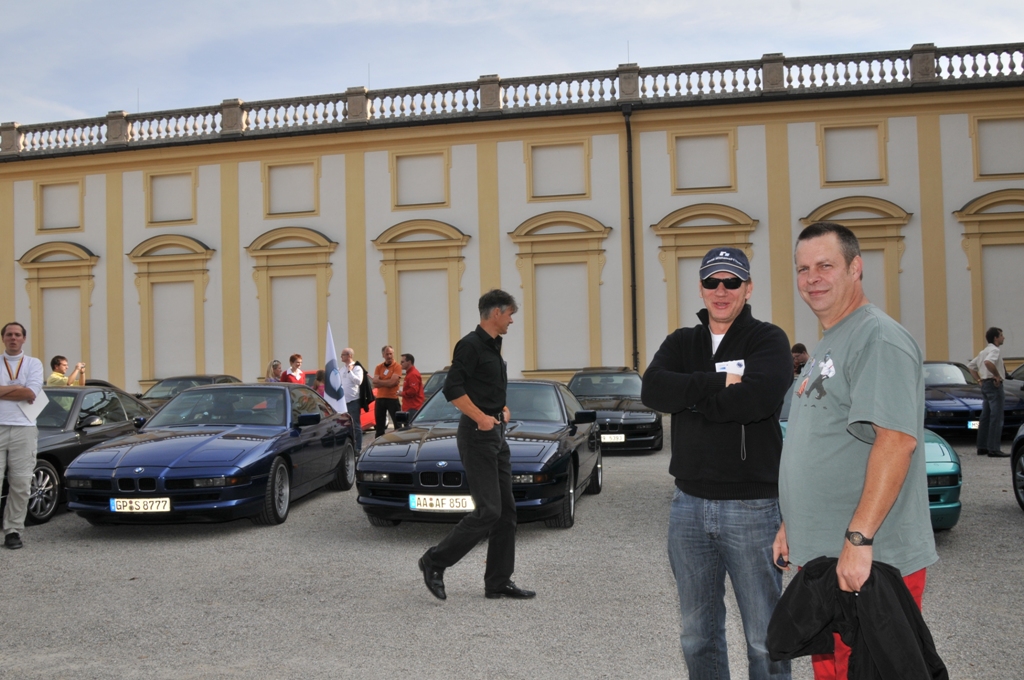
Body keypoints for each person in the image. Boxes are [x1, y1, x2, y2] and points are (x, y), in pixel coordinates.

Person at [773, 222, 937, 680]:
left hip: (868, 562)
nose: (812, 278)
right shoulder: (832, 339)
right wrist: (792, 521)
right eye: (803, 269)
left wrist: (859, 541)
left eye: (825, 265)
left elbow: (896, 442)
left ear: (855, 267)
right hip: (828, 559)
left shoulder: (877, 337)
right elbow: (824, 441)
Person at [641, 247, 793, 680]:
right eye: (712, 281)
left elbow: (758, 400)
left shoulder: (768, 340)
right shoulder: (681, 342)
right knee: (696, 635)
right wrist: (720, 381)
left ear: (748, 288)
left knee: (764, 638)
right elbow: (653, 390)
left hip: (752, 507)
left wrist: (690, 398)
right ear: (701, 288)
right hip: (687, 505)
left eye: (731, 281)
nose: (721, 290)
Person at [418, 289, 534, 601]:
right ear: (496, 312)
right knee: (489, 510)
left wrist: (501, 409)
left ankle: (498, 581)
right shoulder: (470, 345)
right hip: (477, 435)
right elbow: (452, 387)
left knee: (506, 512)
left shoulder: (494, 346)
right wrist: (481, 417)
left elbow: (485, 387)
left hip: (496, 434)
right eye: (509, 314)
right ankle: (434, 561)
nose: (511, 320)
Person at [0, 322, 45, 550]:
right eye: (9, 334)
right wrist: (19, 389)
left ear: (24, 339)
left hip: (24, 428)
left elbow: (31, 392)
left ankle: (13, 531)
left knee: (21, 483)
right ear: (3, 338)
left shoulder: (33, 363)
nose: (13, 338)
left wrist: (6, 390)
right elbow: (24, 391)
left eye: (17, 334)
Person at [967, 327, 1007, 457]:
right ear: (996, 338)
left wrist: (979, 380)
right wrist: (997, 375)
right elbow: (988, 362)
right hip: (994, 384)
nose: (1003, 337)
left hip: (985, 384)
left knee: (985, 416)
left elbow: (970, 366)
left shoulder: (983, 351)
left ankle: (982, 446)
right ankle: (993, 448)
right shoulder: (995, 350)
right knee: (996, 417)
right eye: (1001, 335)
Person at [372, 345, 401, 438]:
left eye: (391, 354)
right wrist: (388, 382)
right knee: (379, 425)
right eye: (387, 354)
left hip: (392, 398)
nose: (389, 356)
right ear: (383, 355)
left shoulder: (397, 366)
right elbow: (375, 383)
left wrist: (380, 381)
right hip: (380, 398)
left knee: (397, 424)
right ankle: (379, 443)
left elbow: (392, 383)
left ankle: (399, 441)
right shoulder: (379, 367)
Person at [340, 348, 365, 451]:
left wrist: (350, 371)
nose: (341, 357)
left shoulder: (357, 368)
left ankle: (358, 448)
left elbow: (359, 381)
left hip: (353, 401)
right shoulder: (342, 369)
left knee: (356, 426)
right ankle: (349, 447)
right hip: (343, 402)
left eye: (343, 355)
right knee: (345, 426)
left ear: (349, 355)